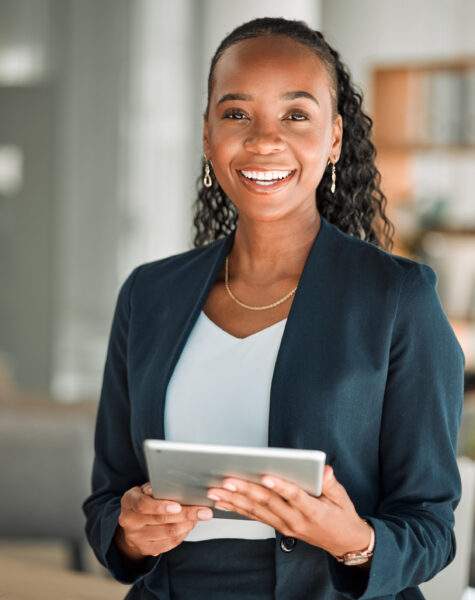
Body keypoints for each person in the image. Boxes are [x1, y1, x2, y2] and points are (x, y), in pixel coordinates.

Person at [83, 17, 465, 600]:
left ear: (334, 138)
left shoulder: (397, 297)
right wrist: (132, 533)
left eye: (296, 114)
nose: (264, 140)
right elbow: (108, 499)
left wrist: (354, 539)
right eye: (236, 114)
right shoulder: (149, 295)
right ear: (208, 136)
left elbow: (431, 526)